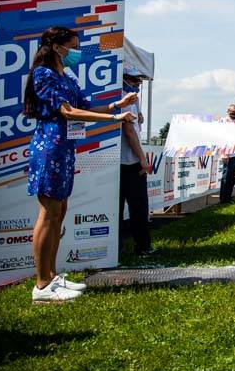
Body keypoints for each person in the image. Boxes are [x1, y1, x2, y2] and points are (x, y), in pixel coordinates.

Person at [25, 27, 137, 303]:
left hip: (65, 149)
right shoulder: (43, 74)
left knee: (60, 212)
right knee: (48, 213)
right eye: (72, 47)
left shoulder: (67, 76)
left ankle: (52, 275)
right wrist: (115, 120)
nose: (76, 52)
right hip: (49, 148)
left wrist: (115, 106)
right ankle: (41, 285)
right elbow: (68, 112)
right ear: (55, 46)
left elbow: (86, 107)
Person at [118, 73, 154, 257]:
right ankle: (142, 246)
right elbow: (129, 131)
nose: (139, 83)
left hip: (125, 160)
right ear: (124, 79)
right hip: (130, 161)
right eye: (134, 79)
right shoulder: (125, 98)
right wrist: (142, 158)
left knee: (129, 208)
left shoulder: (131, 98)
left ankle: (123, 248)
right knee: (138, 207)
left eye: (140, 80)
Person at [219, 103, 235, 203]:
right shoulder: (223, 122)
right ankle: (223, 199)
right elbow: (222, 138)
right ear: (228, 112)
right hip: (227, 154)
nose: (234, 114)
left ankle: (228, 196)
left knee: (232, 177)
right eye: (232, 112)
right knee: (226, 177)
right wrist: (224, 153)